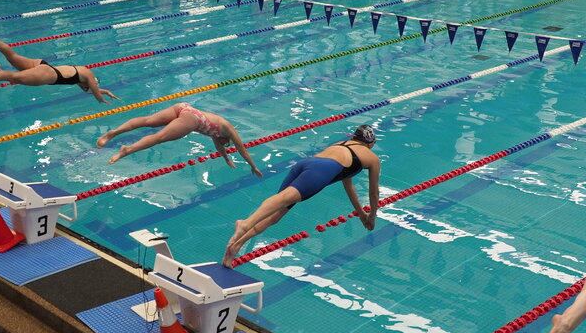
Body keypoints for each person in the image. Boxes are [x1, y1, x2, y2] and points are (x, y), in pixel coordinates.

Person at [222, 125, 381, 264]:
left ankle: (235, 247)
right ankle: (245, 223)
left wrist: (362, 214)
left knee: (276, 214)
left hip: (306, 164)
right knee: (282, 200)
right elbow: (373, 193)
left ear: (354, 137)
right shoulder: (372, 158)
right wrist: (372, 216)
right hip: (321, 170)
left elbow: (348, 185)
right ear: (371, 142)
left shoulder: (341, 144)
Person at [96, 103, 262, 173]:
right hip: (193, 120)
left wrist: (226, 159)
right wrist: (253, 167)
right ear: (227, 141)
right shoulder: (228, 131)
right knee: (158, 137)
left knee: (148, 121)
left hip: (185, 108)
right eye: (226, 145)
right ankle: (127, 150)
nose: (223, 145)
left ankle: (113, 133)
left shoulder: (218, 134)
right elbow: (243, 151)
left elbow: (219, 147)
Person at [0, 31, 118, 103]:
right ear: (90, 84)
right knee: (11, 76)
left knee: (12, 56)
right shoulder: (87, 77)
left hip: (43, 64)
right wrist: (103, 100)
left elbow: (93, 89)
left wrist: (104, 91)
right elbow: (96, 94)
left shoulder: (83, 73)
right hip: (45, 75)